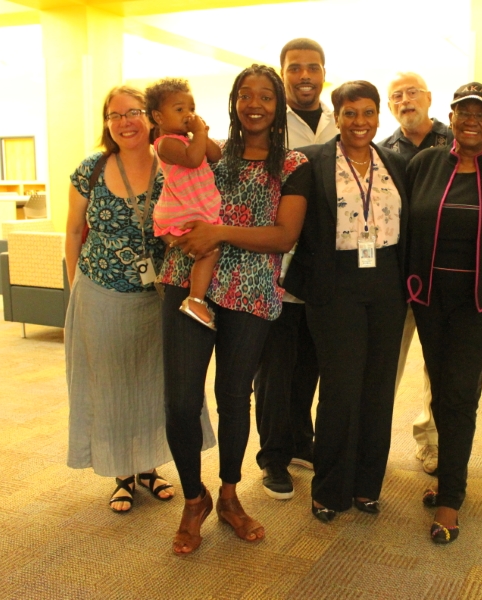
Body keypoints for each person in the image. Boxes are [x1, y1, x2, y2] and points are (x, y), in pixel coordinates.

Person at [160, 64, 310, 555]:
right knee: (181, 400)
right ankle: (194, 498)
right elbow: (172, 185)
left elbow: (284, 236)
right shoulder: (211, 154)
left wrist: (219, 232)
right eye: (245, 95)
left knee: (232, 397)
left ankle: (228, 495)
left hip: (250, 288)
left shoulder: (292, 165)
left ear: (278, 106)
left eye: (265, 96)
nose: (254, 104)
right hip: (188, 281)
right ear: (233, 102)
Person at [65, 85, 216, 513]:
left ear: (150, 117)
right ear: (107, 124)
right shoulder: (91, 168)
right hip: (100, 291)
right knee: (111, 384)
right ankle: (122, 474)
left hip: (159, 293)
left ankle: (149, 467)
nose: (124, 122)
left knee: (153, 384)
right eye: (114, 115)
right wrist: (75, 288)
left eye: (132, 112)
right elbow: (73, 231)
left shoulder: (171, 161)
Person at [406, 82, 482, 543]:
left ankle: (451, 498)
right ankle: (448, 477)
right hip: (428, 296)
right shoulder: (426, 163)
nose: (472, 120)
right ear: (451, 117)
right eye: (464, 112)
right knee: (440, 392)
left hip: (479, 299)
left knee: (461, 393)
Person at [284, 81, 409, 523]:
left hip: (388, 282)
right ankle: (330, 489)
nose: (360, 122)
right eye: (350, 113)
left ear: (379, 116)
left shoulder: (395, 162)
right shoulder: (310, 161)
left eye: (368, 112)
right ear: (336, 117)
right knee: (340, 389)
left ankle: (366, 486)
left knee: (378, 388)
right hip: (334, 284)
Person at [254, 38, 337, 500]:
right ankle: (273, 456)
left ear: (324, 72)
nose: (305, 76)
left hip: (324, 267)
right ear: (282, 72)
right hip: (277, 267)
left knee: (310, 363)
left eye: (313, 67)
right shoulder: (269, 124)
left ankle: (302, 442)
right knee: (274, 371)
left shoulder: (337, 121)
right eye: (295, 68)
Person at [382, 71, 454, 476]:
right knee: (384, 364)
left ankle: (432, 442)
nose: (405, 100)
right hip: (395, 274)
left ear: (428, 97)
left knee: (438, 366)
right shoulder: (381, 150)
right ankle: (372, 439)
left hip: (442, 273)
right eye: (397, 96)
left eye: (412, 93)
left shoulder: (455, 140)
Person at [145, 78, 223, 329]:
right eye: (179, 109)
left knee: (207, 250)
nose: (188, 114)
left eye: (191, 109)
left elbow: (216, 155)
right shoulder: (166, 143)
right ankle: (195, 300)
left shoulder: (190, 139)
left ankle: (195, 298)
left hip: (189, 208)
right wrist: (198, 134)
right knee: (209, 251)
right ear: (158, 116)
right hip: (179, 213)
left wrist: (202, 134)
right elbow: (193, 159)